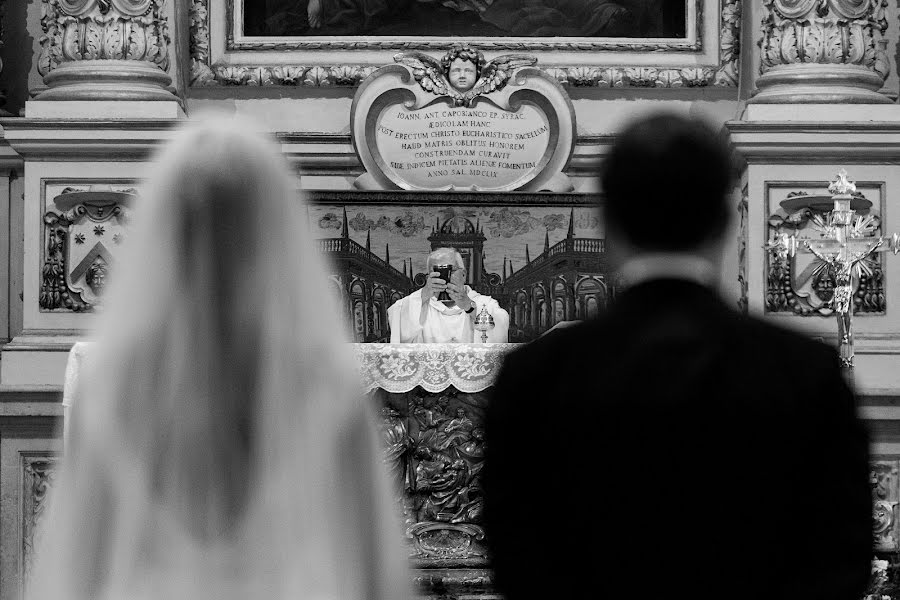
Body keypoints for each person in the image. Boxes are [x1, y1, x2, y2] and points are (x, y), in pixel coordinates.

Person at [482, 113, 872, 600]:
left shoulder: (537, 375)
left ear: (609, 226)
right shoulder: (803, 371)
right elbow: (839, 560)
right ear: (727, 223)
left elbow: (519, 560)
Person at [27, 118, 412, 600]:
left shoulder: (115, 383)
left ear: (165, 235)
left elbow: (79, 567)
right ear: (272, 234)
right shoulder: (323, 383)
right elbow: (371, 568)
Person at [387, 247, 509, 343]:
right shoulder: (418, 303)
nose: (445, 277)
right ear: (428, 276)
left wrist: (469, 307)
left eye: (451, 270)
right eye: (437, 271)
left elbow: (500, 328)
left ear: (463, 274)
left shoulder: (484, 304)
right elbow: (397, 319)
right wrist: (423, 296)